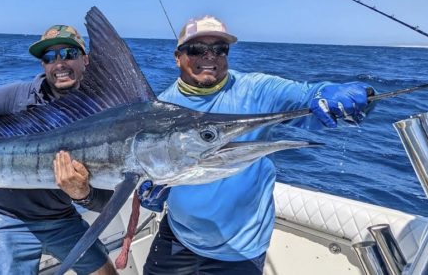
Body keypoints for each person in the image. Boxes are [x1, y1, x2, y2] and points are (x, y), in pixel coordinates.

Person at [140, 16, 374, 274]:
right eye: (197, 49)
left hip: (241, 247)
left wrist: (346, 94)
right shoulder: (160, 108)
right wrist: (149, 187)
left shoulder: (256, 89)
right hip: (179, 235)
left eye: (220, 49)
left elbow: (307, 95)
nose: (210, 56)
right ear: (177, 57)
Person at [0, 25, 116, 275]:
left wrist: (82, 193)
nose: (59, 63)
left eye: (68, 53)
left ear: (85, 59)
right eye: (49, 57)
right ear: (43, 65)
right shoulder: (21, 97)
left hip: (63, 219)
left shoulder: (99, 112)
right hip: (8, 220)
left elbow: (106, 202)